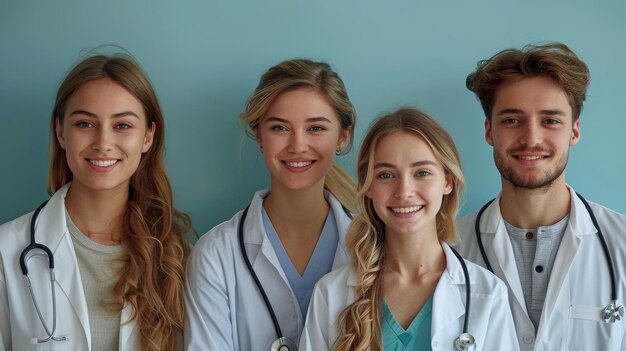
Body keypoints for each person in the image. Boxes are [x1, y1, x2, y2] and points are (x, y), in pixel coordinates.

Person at [0, 54, 193, 351]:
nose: (103, 143)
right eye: (85, 123)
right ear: (61, 132)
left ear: (148, 137)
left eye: (123, 126)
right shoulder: (6, 251)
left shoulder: (178, 256)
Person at [300, 108, 519, 351]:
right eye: (385, 175)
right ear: (368, 186)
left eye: (422, 173)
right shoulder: (331, 293)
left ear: (447, 181)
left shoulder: (487, 294)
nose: (404, 191)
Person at [456, 43, 626, 350]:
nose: (531, 139)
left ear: (574, 132)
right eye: (511, 120)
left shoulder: (622, 244)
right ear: (489, 131)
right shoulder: (449, 250)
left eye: (550, 121)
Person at [185, 58, 357, 351]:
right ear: (258, 135)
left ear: (343, 136)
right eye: (280, 128)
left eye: (316, 128)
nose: (297, 145)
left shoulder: (372, 246)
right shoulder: (216, 255)